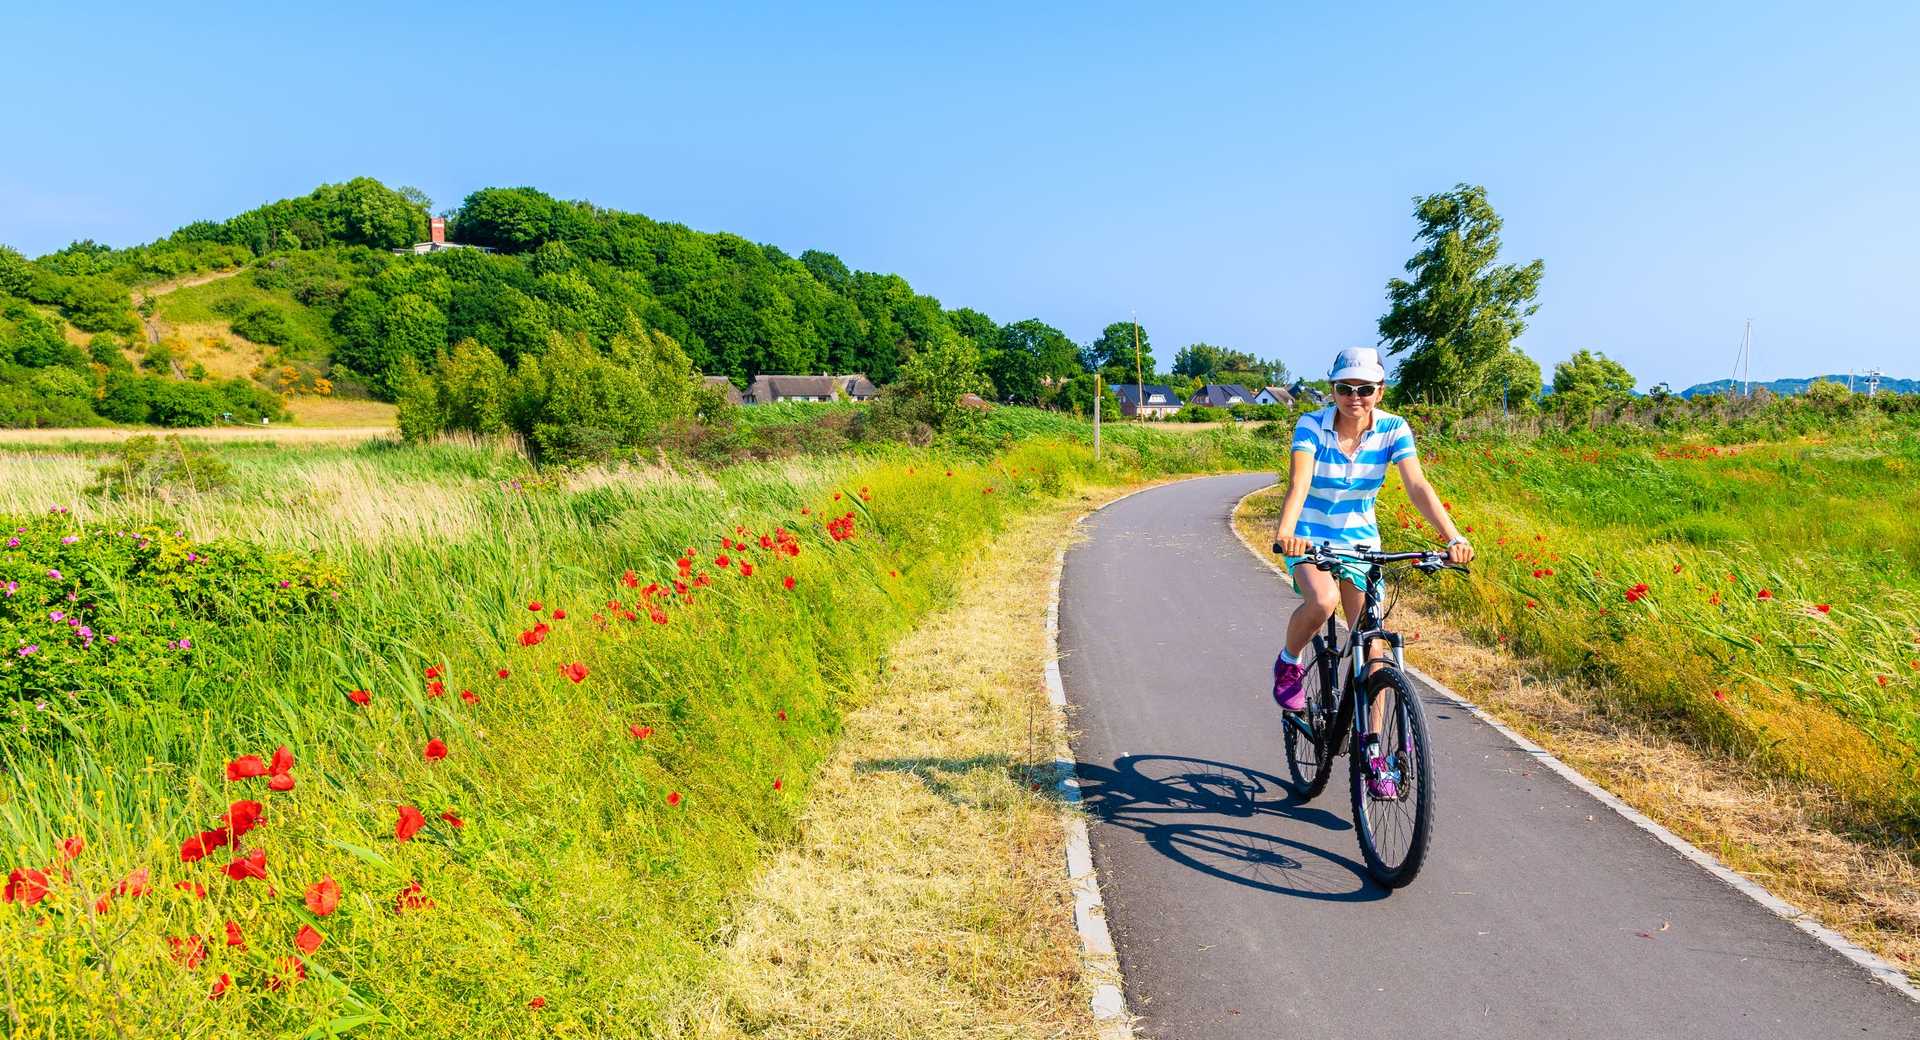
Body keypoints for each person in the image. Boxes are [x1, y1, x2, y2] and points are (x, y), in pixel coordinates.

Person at [1269, 348, 1472, 793]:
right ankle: (1289, 662)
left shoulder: (1394, 428)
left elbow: (1417, 485)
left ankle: (1373, 751)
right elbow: (1299, 483)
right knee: (1323, 600)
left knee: (1374, 645)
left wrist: (1452, 538)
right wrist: (1286, 532)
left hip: (1361, 544)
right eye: (1345, 388)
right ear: (1333, 390)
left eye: (1364, 389)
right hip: (1309, 536)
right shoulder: (1311, 426)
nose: (1354, 397)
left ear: (1380, 391)